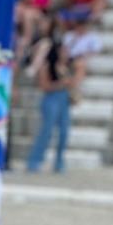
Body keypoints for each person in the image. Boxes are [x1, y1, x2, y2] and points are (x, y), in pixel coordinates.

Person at [26, 23, 76, 172]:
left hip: (64, 99)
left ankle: (59, 161)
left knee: (64, 131)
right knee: (46, 130)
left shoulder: (67, 67)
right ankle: (35, 160)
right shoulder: (47, 66)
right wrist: (61, 83)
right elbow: (44, 85)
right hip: (51, 98)